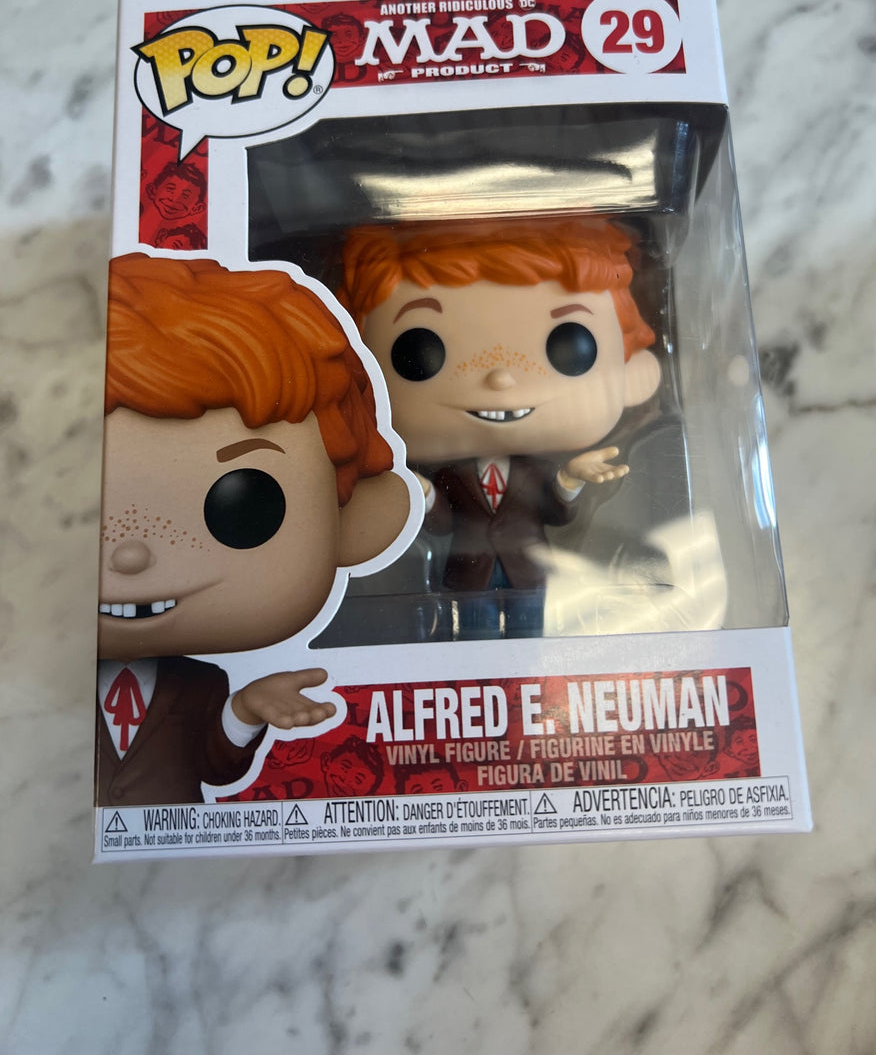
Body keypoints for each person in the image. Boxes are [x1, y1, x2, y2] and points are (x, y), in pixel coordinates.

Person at [97, 253, 411, 805]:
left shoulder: (202, 686)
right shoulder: (36, 681)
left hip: (180, 849)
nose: (129, 556)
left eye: (243, 505)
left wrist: (245, 710)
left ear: (353, 522)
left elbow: (217, 766)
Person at [339, 215, 660, 639]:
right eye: (419, 351)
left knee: (531, 643)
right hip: (467, 579)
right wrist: (422, 492)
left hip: (531, 575)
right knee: (473, 644)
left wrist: (570, 477)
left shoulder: (537, 472)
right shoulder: (452, 476)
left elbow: (558, 514)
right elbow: (440, 523)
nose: (501, 379)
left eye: (569, 346)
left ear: (634, 374)